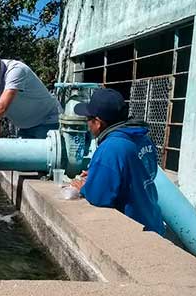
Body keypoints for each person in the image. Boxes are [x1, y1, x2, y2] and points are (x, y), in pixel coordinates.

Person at [69, 88, 165, 235]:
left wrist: (84, 186)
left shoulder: (110, 148)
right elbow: (144, 173)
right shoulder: (142, 137)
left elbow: (98, 197)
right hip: (154, 221)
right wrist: (100, 173)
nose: (87, 124)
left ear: (98, 122)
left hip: (137, 230)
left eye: (88, 119)